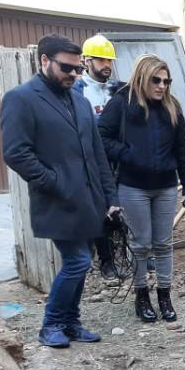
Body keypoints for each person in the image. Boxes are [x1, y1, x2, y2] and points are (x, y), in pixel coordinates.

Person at [0, 34, 120, 348]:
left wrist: (111, 198)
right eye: (67, 68)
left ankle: (71, 322)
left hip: (90, 201)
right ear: (44, 61)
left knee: (83, 260)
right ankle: (51, 323)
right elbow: (16, 153)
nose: (74, 75)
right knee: (78, 261)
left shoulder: (79, 102)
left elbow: (97, 156)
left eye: (78, 68)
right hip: (57, 200)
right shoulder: (20, 98)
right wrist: (56, 182)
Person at [98, 54, 185, 323]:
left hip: (165, 187)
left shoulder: (171, 107)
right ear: (143, 76)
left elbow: (182, 150)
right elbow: (101, 137)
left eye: (166, 81)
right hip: (133, 187)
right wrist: (127, 154)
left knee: (163, 245)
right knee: (140, 245)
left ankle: (165, 296)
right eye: (156, 79)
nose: (162, 85)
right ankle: (142, 298)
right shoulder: (122, 103)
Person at [73, 34, 121, 280]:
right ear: (86, 61)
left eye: (109, 60)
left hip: (117, 159)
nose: (107, 65)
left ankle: (130, 252)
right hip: (91, 161)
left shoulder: (118, 89)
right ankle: (106, 261)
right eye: (101, 60)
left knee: (124, 207)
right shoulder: (77, 92)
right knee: (100, 211)